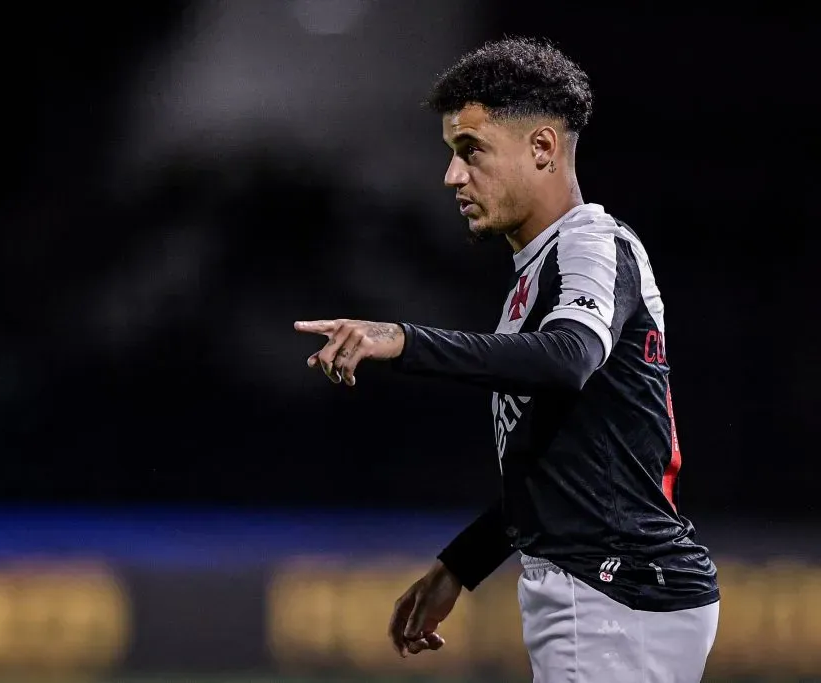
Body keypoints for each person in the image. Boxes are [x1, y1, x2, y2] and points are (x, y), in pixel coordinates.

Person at [293, 37, 720, 682]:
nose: (452, 176)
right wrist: (461, 566)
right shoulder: (538, 274)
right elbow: (558, 467)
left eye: (471, 151)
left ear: (543, 148)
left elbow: (566, 358)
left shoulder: (591, 243)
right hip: (609, 591)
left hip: (614, 592)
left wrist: (401, 340)